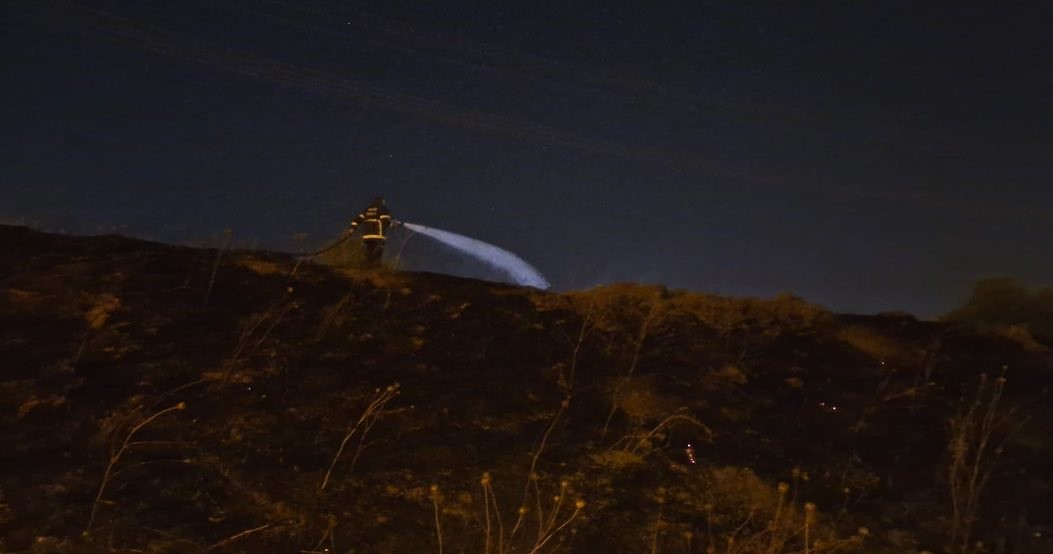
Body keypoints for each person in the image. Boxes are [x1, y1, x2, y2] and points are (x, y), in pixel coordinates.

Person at [345, 196, 398, 266]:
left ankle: (366, 267)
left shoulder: (366, 210)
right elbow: (385, 222)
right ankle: (375, 268)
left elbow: (357, 220)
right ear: (382, 201)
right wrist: (393, 224)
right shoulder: (383, 209)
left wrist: (352, 228)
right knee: (377, 252)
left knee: (368, 251)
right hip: (378, 236)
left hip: (367, 236)